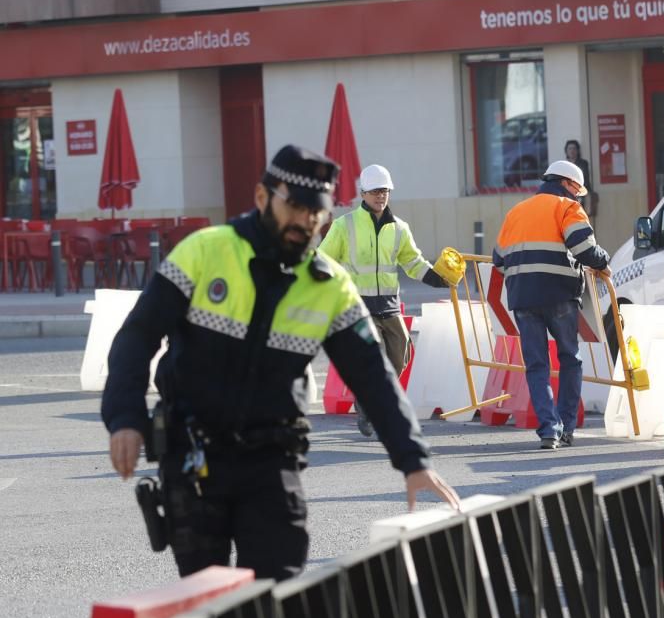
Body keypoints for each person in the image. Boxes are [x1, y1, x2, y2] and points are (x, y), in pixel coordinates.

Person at [102, 145, 459, 581]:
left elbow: (373, 376)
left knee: (277, 599)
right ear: (260, 198)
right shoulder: (205, 252)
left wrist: (413, 458)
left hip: (272, 462)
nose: (306, 221)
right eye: (295, 207)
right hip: (194, 456)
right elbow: (137, 335)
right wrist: (125, 418)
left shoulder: (329, 285)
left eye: (317, 212)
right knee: (203, 602)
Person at [318, 163, 449, 437]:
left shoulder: (399, 228)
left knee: (400, 354)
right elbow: (323, 260)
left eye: (385, 191)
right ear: (364, 193)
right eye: (376, 191)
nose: (381, 196)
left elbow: (412, 260)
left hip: (389, 305)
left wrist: (435, 277)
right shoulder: (344, 226)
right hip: (358, 306)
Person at [492, 159, 609, 450]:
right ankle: (567, 428)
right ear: (568, 184)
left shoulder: (516, 211)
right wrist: (604, 261)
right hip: (558, 295)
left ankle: (549, 430)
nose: (577, 195)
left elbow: (498, 259)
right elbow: (584, 248)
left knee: (537, 365)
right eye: (577, 189)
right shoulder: (568, 207)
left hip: (523, 298)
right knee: (570, 359)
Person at [564, 139, 598, 218]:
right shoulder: (564, 164)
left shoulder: (583, 163)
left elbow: (585, 180)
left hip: (581, 194)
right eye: (570, 148)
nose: (572, 151)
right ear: (566, 151)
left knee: (581, 217)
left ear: (578, 151)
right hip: (567, 196)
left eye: (574, 148)